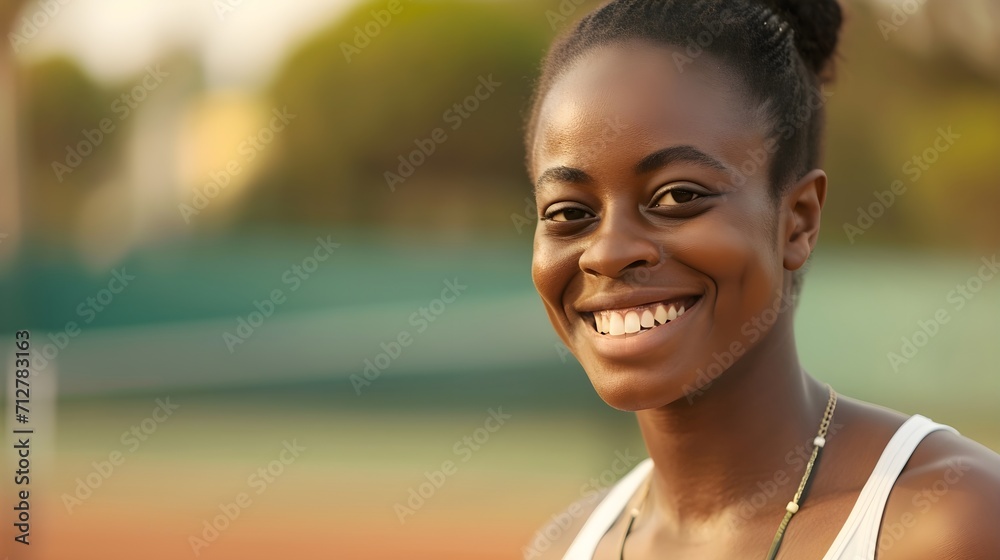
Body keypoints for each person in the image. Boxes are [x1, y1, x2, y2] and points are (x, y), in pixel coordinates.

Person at [521, 0, 1000, 558]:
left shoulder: (949, 522)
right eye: (568, 212)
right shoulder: (567, 545)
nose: (607, 252)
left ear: (798, 220)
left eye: (677, 196)